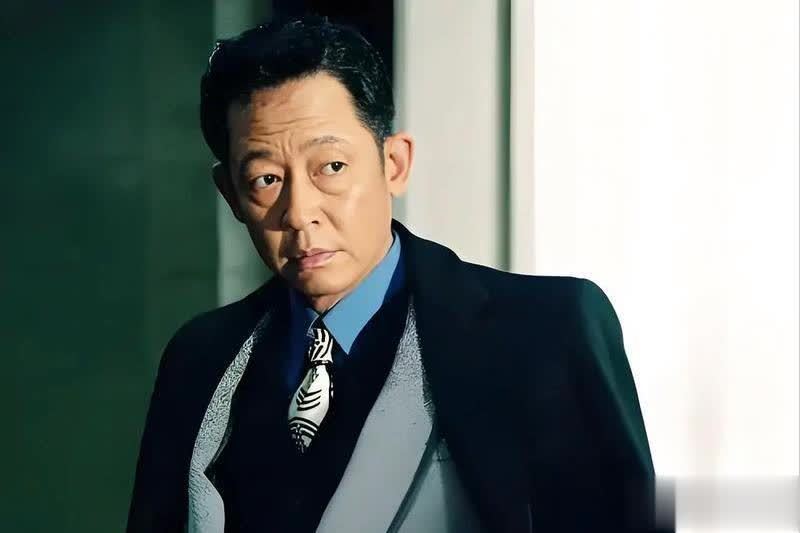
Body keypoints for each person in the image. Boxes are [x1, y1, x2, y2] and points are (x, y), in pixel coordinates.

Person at [126, 15, 670, 533]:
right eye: (266, 179)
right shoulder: (200, 358)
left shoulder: (548, 331)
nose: (299, 212)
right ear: (230, 194)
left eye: (331, 167)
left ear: (394, 164)